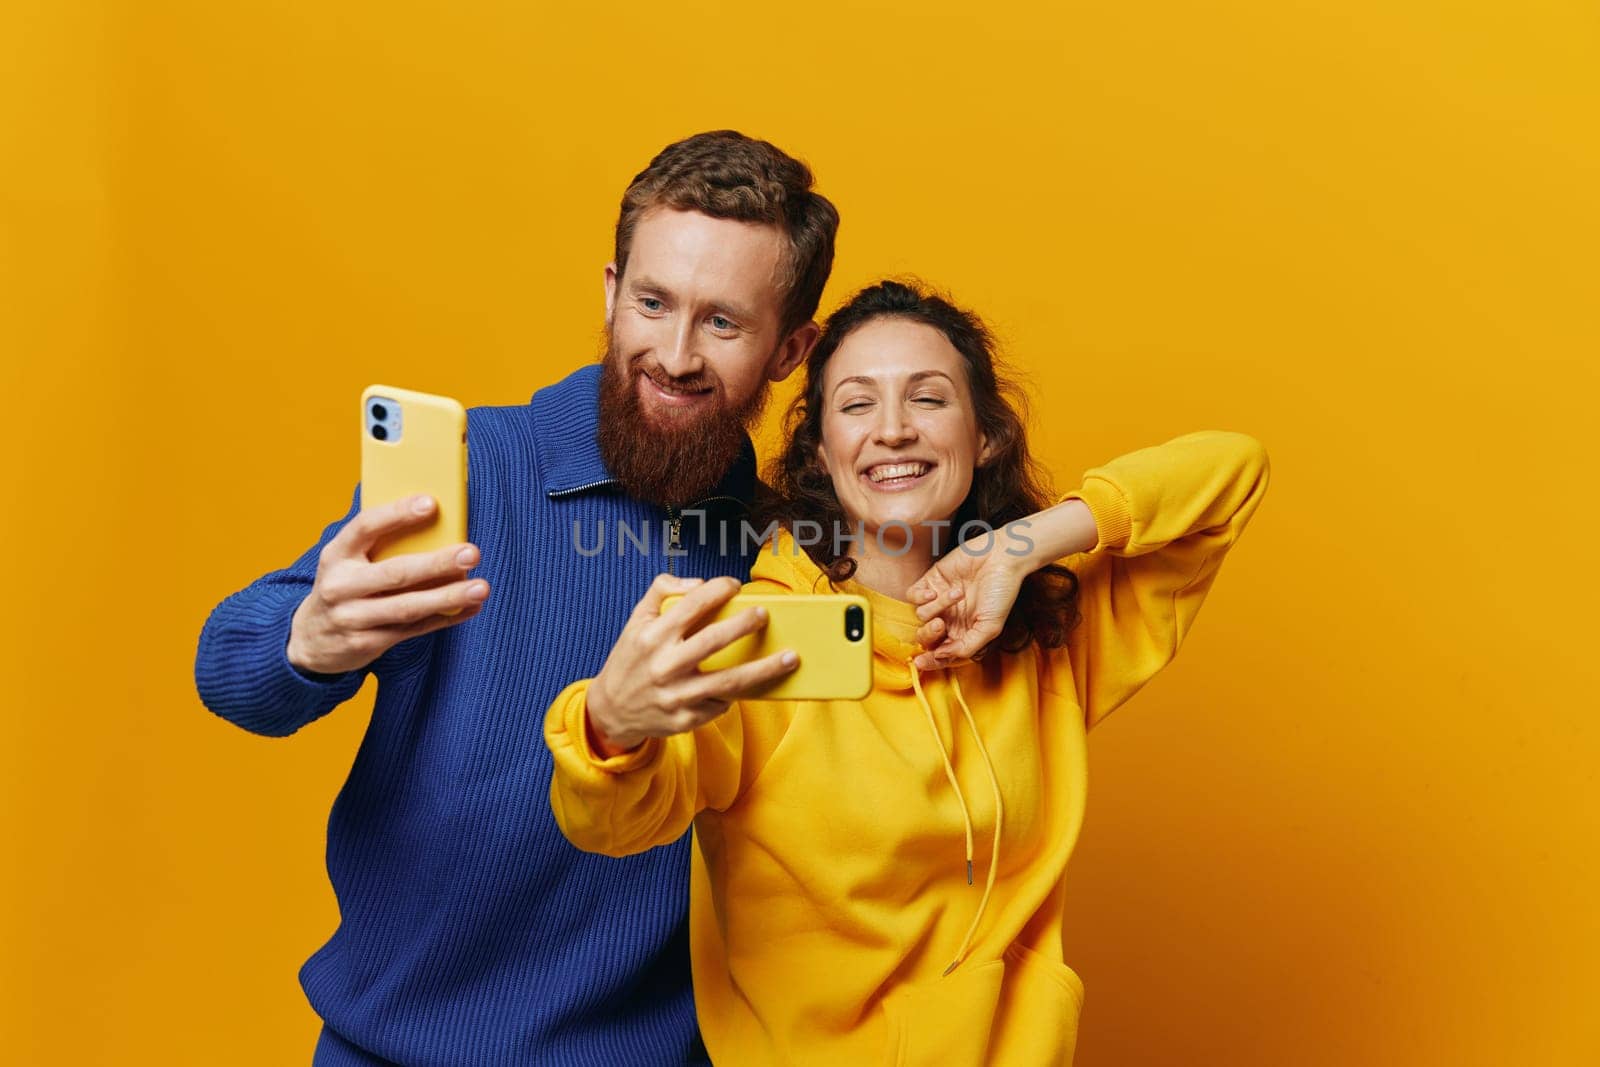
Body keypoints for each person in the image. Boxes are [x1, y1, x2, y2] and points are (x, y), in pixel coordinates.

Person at [193, 130, 841, 1066]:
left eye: (724, 323)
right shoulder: (472, 472)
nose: (675, 352)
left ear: (792, 349)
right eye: (653, 303)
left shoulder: (787, 558)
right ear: (612, 291)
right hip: (392, 1048)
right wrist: (307, 637)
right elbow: (231, 674)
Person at [544, 280, 1271, 1065]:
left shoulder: (1044, 634)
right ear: (823, 452)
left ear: (985, 434)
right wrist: (609, 725)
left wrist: (1022, 545)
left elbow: (1232, 472)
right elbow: (616, 821)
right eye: (857, 405)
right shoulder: (768, 634)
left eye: (927, 399)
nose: (892, 430)